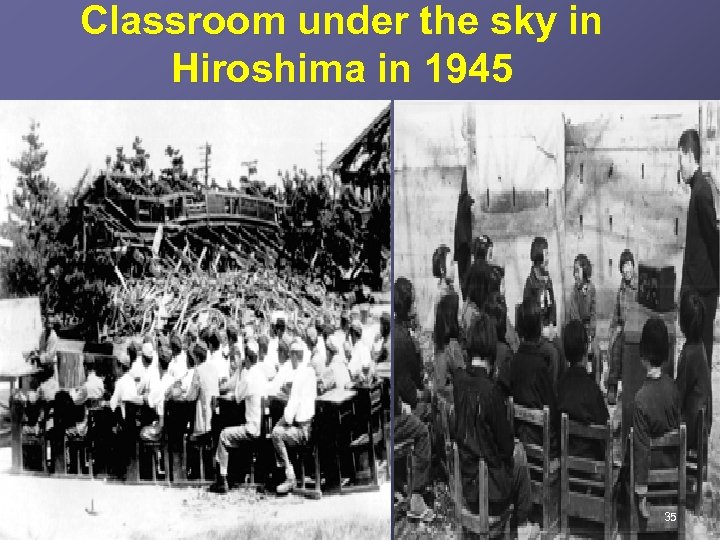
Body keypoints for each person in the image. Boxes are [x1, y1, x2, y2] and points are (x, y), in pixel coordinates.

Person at [453, 313, 533, 536]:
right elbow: (506, 448)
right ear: (492, 350)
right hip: (490, 491)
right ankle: (523, 522)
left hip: (465, 485)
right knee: (519, 453)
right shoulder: (491, 392)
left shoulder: (459, 382)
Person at [626, 318, 681, 520]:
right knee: (669, 513)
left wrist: (641, 492)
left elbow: (641, 448)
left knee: (628, 463)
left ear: (642, 357)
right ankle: (670, 519)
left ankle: (646, 520)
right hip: (671, 476)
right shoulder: (673, 388)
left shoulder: (640, 399)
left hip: (650, 478)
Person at [498, 297, 560, 460]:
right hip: (540, 442)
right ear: (539, 328)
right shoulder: (541, 365)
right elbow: (552, 408)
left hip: (518, 438)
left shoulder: (514, 360)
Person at [678, 128, 719, 367]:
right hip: (699, 290)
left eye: (680, 158)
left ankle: (704, 405)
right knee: (696, 359)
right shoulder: (698, 189)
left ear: (689, 155)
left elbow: (714, 240)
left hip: (703, 291)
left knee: (702, 360)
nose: (679, 165)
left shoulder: (702, 191)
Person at [210, 340, 268, 494]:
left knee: (223, 435)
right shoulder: (261, 375)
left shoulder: (248, 379)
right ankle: (234, 473)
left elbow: (235, 397)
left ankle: (222, 478)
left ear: (247, 359)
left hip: (251, 429)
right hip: (261, 425)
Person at [557, 320, 609, 462]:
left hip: (565, 462)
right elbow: (605, 432)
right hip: (591, 466)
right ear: (586, 348)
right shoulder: (592, 389)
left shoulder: (560, 385)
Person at [271, 340, 317, 494]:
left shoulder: (299, 376)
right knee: (281, 429)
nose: (290, 359)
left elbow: (290, 411)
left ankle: (289, 475)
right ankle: (288, 471)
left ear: (295, 356)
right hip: (311, 425)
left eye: (291, 355)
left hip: (303, 431)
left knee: (276, 434)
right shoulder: (309, 372)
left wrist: (279, 424)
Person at [522, 236, 563, 387]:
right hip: (535, 334)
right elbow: (529, 313)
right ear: (539, 257)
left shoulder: (548, 280)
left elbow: (552, 306)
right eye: (546, 254)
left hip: (547, 330)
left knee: (560, 346)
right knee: (552, 354)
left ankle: (560, 390)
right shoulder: (530, 283)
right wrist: (542, 330)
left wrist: (552, 325)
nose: (548, 259)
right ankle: (549, 394)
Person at [676, 290, 712, 449]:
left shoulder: (689, 355)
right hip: (702, 422)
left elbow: (678, 395)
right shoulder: (699, 347)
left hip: (692, 428)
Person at [394, 277, 429, 420]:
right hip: (407, 404)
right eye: (413, 302)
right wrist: (423, 394)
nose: (415, 306)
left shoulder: (402, 329)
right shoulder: (402, 338)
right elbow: (405, 383)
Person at [607, 249, 637, 403]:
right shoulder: (621, 290)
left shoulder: (638, 288)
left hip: (636, 331)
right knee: (615, 345)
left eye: (629, 265)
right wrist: (612, 333)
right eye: (623, 266)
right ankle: (612, 386)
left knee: (627, 348)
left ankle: (628, 388)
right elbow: (616, 315)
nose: (626, 270)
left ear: (633, 266)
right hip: (623, 330)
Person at [567, 254, 598, 377]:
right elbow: (574, 317)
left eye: (577, 271)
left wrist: (590, 335)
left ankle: (595, 384)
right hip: (578, 333)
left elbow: (593, 313)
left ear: (584, 271)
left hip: (589, 331)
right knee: (581, 355)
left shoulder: (592, 289)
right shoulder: (574, 292)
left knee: (597, 354)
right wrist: (584, 337)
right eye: (574, 271)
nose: (575, 275)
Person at [183, 342, 220, 436]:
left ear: (197, 357)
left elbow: (191, 396)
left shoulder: (198, 370)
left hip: (203, 419)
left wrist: (184, 396)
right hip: (214, 415)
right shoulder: (213, 368)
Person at [433, 293, 465, 400]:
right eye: (459, 312)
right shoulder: (453, 347)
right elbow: (461, 378)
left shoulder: (440, 343)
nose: (461, 316)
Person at [424, 244, 460, 332]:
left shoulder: (452, 290)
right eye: (451, 263)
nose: (454, 267)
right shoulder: (439, 296)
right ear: (442, 268)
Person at [454, 169, 474, 301]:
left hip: (462, 246)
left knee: (464, 277)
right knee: (464, 277)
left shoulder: (462, 203)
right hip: (463, 246)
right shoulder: (464, 202)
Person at [109, 351, 142, 419]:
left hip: (124, 422)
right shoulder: (132, 381)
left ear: (120, 366)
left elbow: (113, 405)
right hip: (133, 421)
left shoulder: (120, 382)